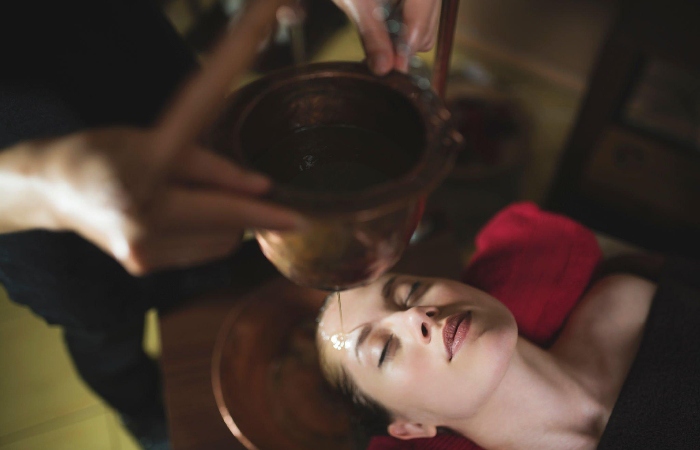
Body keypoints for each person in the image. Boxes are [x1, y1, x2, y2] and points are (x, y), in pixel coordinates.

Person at [0, 0, 441, 448]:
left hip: (140, 66)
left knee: (212, 253)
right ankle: (142, 413)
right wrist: (38, 188)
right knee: (105, 334)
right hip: (42, 224)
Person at [316, 203, 700, 450]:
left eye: (410, 292)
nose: (415, 315)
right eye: (384, 350)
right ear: (413, 426)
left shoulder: (627, 296)